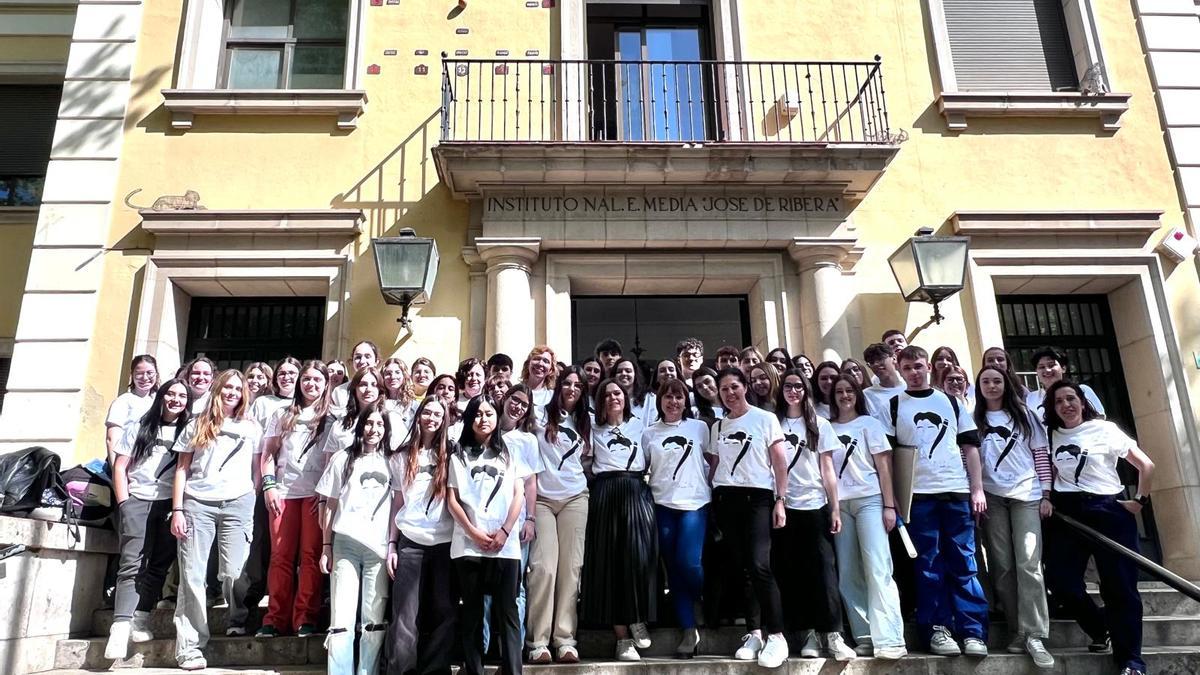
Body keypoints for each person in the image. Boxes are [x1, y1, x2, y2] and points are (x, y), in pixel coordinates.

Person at [881, 346, 988, 658]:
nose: (914, 372)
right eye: (908, 368)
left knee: (964, 563)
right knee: (928, 564)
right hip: (918, 497)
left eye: (918, 366)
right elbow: (888, 457)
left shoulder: (951, 402)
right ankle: (938, 630)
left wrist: (977, 489)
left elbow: (970, 449)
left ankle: (972, 632)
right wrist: (895, 499)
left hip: (956, 492)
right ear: (899, 370)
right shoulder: (893, 404)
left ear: (928, 366)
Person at [1043, 380, 1154, 675]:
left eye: (1071, 398)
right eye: (1058, 401)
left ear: (1082, 401)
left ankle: (1131, 661)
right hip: (1068, 514)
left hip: (1109, 510)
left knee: (1120, 589)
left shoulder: (1104, 429)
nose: (1066, 405)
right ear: (1052, 408)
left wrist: (1139, 501)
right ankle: (1100, 626)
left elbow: (1146, 465)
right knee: (1060, 579)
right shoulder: (1049, 435)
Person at [170, 369, 263, 671]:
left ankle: (237, 618)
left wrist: (251, 493)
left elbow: (257, 467)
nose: (233, 392)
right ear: (218, 389)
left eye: (238, 388)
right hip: (197, 503)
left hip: (238, 503)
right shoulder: (197, 424)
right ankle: (191, 647)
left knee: (235, 570)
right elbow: (181, 469)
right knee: (193, 574)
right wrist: (178, 509)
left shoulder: (251, 427)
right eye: (228, 387)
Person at [105, 378, 192, 660]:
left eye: (182, 396)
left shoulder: (189, 429)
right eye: (171, 394)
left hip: (170, 503)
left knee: (159, 563)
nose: (176, 399)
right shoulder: (140, 426)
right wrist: (124, 502)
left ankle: (141, 617)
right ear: (162, 396)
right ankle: (119, 625)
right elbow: (120, 466)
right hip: (138, 499)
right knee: (131, 562)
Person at [709, 367, 791, 668]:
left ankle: (777, 635)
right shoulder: (718, 426)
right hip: (727, 499)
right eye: (724, 389)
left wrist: (780, 500)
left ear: (745, 387)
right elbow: (714, 466)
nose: (730, 393)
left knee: (760, 565)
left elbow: (780, 464)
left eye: (735, 386)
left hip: (758, 497)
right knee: (742, 568)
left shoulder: (765, 419)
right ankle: (754, 632)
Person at [974, 366, 1054, 669]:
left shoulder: (1025, 415)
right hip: (992, 498)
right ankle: (1016, 629)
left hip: (1027, 495)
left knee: (1029, 563)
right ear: (979, 387)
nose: (992, 386)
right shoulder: (974, 419)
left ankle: (1034, 634)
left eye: (997, 381)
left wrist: (1046, 494)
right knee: (1003, 566)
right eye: (985, 382)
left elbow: (1040, 453)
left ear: (1006, 384)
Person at [771, 369, 854, 661]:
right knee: (793, 572)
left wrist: (834, 507)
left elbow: (827, 468)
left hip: (815, 503)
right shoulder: (773, 423)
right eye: (788, 386)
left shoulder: (818, 424)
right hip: (784, 505)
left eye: (799, 386)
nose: (793, 391)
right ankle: (806, 633)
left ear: (806, 390)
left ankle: (832, 633)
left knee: (824, 570)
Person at [826, 374, 906, 660]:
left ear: (857, 394)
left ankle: (891, 638)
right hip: (840, 505)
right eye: (839, 391)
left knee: (878, 569)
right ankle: (865, 635)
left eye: (849, 390)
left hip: (870, 501)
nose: (844, 395)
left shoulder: (870, 424)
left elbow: (884, 467)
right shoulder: (827, 427)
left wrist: (888, 506)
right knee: (848, 573)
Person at [448, 397, 529, 675]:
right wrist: (473, 531)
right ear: (470, 419)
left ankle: (513, 670)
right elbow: (453, 500)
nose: (484, 419)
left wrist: (506, 530)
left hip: (505, 547)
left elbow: (519, 494)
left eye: (489, 413)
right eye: (478, 414)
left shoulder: (510, 452)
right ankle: (474, 670)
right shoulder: (458, 455)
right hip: (469, 546)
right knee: (471, 612)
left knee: (508, 612)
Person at [257, 360, 333, 639]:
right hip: (284, 493)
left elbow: (332, 462)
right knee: (280, 557)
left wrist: (324, 495)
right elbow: (268, 455)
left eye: (317, 380)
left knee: (311, 557)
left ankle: (305, 618)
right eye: (307, 379)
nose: (311, 384)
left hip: (314, 495)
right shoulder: (282, 413)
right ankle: (274, 618)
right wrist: (269, 486)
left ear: (326, 384)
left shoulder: (331, 418)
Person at [582, 378, 656, 661]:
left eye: (617, 393)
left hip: (636, 490)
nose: (613, 397)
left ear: (625, 397)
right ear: (599, 401)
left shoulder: (641, 426)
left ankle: (637, 617)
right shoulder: (593, 429)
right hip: (605, 492)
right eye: (607, 394)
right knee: (609, 562)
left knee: (638, 556)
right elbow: (586, 464)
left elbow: (651, 459)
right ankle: (622, 637)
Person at [317, 402, 393, 675]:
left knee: (373, 620)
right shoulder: (342, 459)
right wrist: (326, 546)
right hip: (345, 544)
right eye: (370, 423)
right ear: (361, 426)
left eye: (380, 424)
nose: (374, 429)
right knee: (341, 620)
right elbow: (329, 505)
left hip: (379, 548)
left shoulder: (393, 460)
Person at [385, 397, 456, 675]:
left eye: (438, 414)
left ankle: (435, 670)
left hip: (445, 541)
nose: (431, 418)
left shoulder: (452, 453)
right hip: (410, 540)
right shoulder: (401, 455)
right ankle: (402, 671)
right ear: (418, 415)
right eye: (427, 412)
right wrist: (392, 544)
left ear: (444, 420)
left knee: (444, 611)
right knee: (404, 615)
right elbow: (397, 501)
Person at [642, 378, 711, 658]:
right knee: (672, 567)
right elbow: (644, 466)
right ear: (660, 401)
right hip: (662, 504)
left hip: (695, 503)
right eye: (668, 397)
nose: (673, 402)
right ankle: (688, 629)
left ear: (686, 401)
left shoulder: (700, 428)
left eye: (679, 397)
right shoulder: (648, 433)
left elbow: (713, 459)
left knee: (689, 562)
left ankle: (699, 599)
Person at [526, 366, 591, 664]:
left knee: (571, 569)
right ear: (558, 386)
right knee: (543, 568)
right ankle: (538, 641)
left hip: (576, 498)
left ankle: (565, 639)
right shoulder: (540, 413)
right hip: (540, 499)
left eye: (578, 385)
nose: (572, 389)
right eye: (567, 383)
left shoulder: (587, 420)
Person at [233, 356, 301, 634]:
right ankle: (256, 602)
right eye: (282, 373)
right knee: (264, 549)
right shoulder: (264, 404)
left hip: (302, 491)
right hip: (270, 487)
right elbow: (260, 448)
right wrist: (261, 483)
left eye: (292, 372)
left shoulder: (312, 404)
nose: (286, 377)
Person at [480, 385, 542, 655]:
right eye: (514, 400)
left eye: (524, 405)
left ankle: (511, 650)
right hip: (484, 521)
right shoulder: (485, 431)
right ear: (504, 399)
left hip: (515, 524)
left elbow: (530, 483)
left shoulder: (527, 440)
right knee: (483, 590)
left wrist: (531, 518)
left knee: (515, 588)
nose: (517, 406)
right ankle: (481, 648)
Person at [105, 355, 160, 467]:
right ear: (132, 375)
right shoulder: (123, 401)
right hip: (128, 464)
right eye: (139, 373)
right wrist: (116, 471)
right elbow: (111, 439)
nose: (145, 377)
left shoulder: (159, 400)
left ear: (156, 374)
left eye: (150, 373)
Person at [1026, 347, 1106, 421]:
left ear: (1063, 368)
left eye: (1051, 365)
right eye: (1041, 367)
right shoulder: (1031, 398)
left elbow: (1099, 419)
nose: (1047, 370)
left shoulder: (1082, 390)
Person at [331, 341, 381, 412]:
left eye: (367, 356)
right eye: (358, 357)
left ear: (376, 361)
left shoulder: (383, 389)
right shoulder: (340, 392)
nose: (362, 361)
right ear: (352, 361)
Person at [862, 343, 905, 418]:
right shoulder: (867, 395)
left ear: (894, 358)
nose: (876, 364)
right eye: (871, 362)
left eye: (880, 359)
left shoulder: (909, 388)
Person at [521, 345, 557, 424]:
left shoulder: (553, 397)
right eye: (536, 359)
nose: (540, 364)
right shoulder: (516, 391)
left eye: (546, 361)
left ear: (551, 370)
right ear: (528, 364)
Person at [611, 357, 653, 424]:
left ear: (635, 375)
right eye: (619, 371)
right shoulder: (610, 398)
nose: (624, 374)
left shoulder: (650, 398)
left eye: (628, 371)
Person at [427, 374, 461, 439]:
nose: (446, 392)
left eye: (451, 389)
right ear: (433, 391)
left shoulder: (460, 420)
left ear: (454, 396)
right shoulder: (423, 413)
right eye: (441, 388)